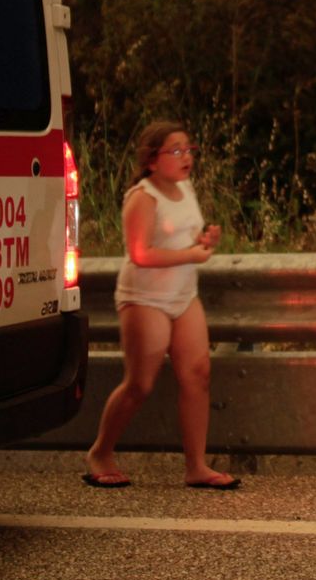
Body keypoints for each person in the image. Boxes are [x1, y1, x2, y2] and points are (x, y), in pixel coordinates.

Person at [82, 121, 240, 490]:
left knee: (198, 373)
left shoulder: (185, 188)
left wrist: (205, 239)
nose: (186, 157)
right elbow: (140, 253)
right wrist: (191, 253)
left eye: (189, 149)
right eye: (176, 150)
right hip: (145, 298)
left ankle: (197, 466)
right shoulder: (142, 196)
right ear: (152, 160)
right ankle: (100, 452)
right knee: (140, 383)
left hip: (183, 295)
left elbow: (185, 238)